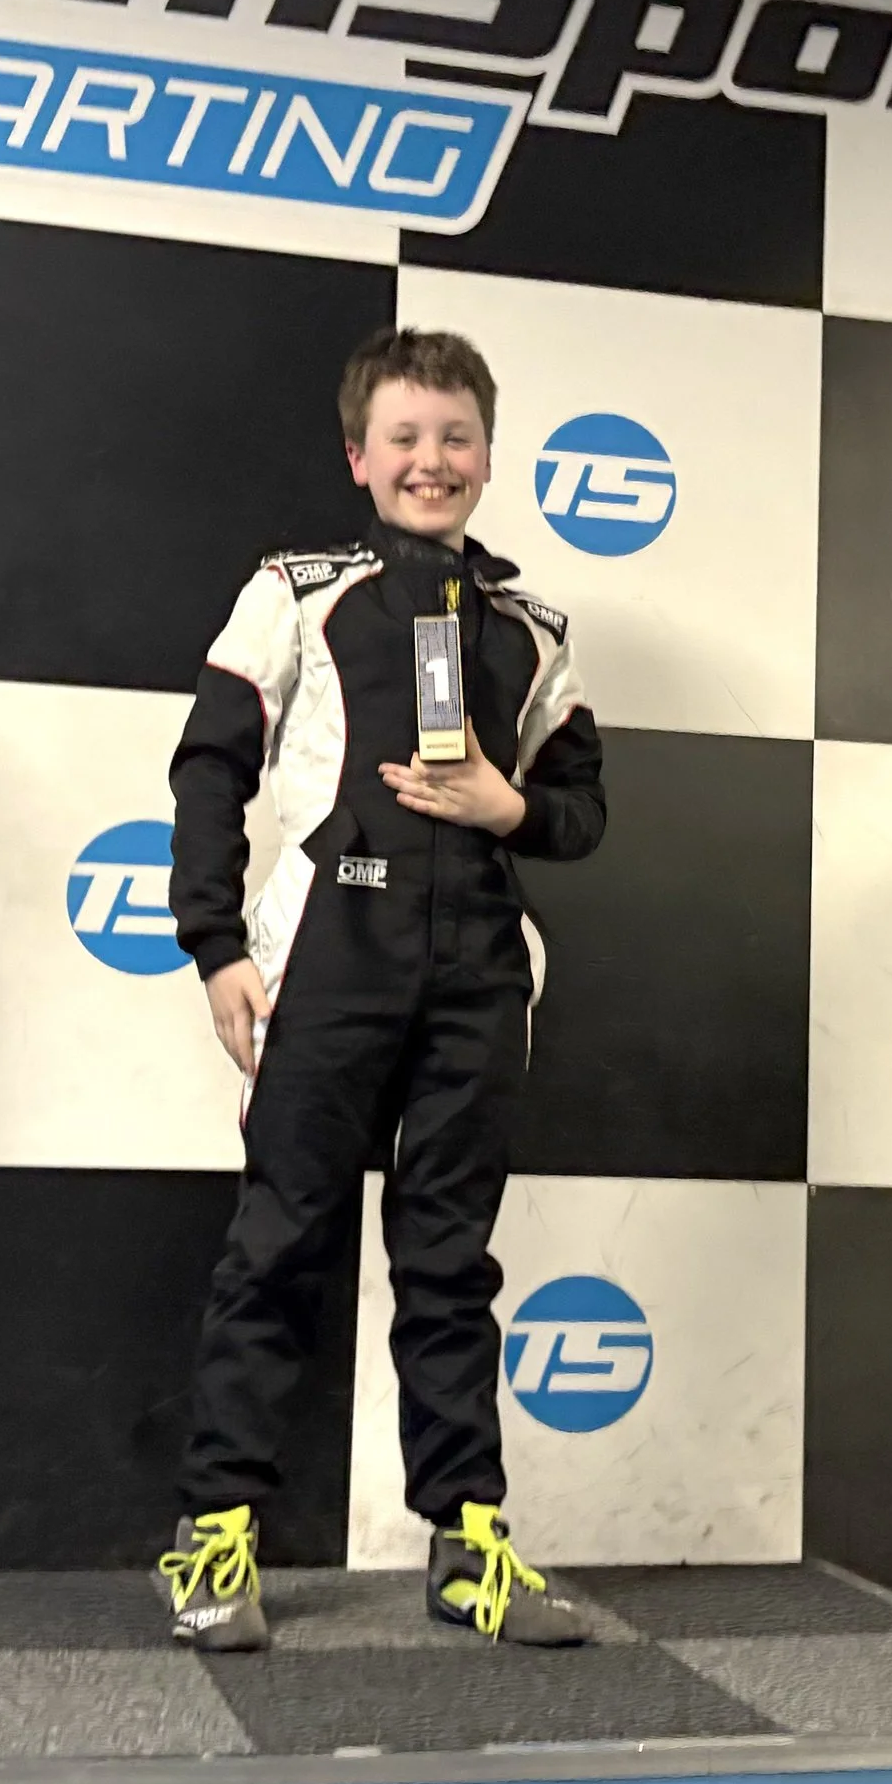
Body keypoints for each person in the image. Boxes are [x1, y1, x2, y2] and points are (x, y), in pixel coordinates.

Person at [159, 327, 607, 1651]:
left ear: (490, 456)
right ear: (359, 456)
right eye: (404, 437)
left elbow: (582, 814)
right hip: (326, 962)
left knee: (450, 1264)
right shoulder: (295, 591)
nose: (431, 460)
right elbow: (210, 766)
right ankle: (215, 1533)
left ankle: (468, 1546)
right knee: (279, 1244)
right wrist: (216, 947)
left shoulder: (534, 629)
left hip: (480, 977)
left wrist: (504, 806)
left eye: (456, 437)